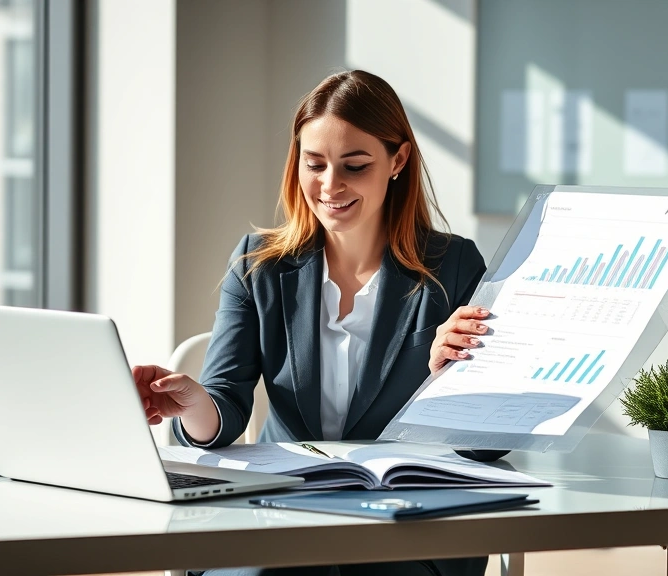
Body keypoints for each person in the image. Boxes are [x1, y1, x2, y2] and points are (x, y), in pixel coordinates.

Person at [134, 70, 493, 576]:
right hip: (279, 512)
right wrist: (194, 403)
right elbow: (224, 413)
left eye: (355, 165)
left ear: (398, 160)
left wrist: (450, 376)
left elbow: (488, 445)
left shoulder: (453, 266)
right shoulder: (257, 264)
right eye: (315, 164)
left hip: (406, 527)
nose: (330, 186)